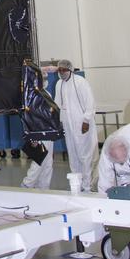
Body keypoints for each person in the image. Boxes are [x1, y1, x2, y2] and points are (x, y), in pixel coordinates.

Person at [54, 60, 98, 191]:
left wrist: (86, 120)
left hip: (81, 123)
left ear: (70, 70)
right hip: (68, 124)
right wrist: (60, 122)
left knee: (84, 155)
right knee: (72, 154)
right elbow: (58, 104)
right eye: (59, 70)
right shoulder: (59, 84)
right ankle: (76, 184)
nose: (61, 73)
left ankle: (87, 185)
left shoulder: (80, 81)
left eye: (64, 70)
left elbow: (90, 102)